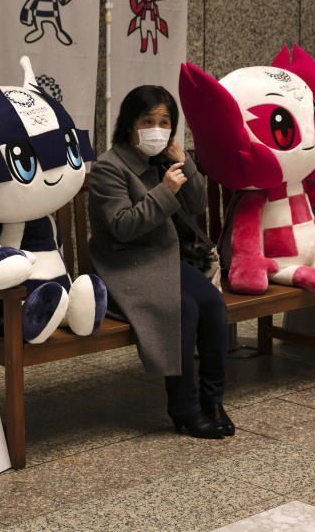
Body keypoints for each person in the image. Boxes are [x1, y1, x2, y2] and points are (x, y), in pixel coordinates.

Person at [87, 85, 232, 439]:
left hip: (164, 259)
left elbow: (197, 205)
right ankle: (184, 407)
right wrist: (164, 191)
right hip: (125, 264)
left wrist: (185, 164)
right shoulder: (110, 168)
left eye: (164, 121)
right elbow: (122, 227)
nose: (157, 128)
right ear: (128, 125)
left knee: (213, 304)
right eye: (147, 120)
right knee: (180, 307)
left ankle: (213, 399)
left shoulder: (164, 161)